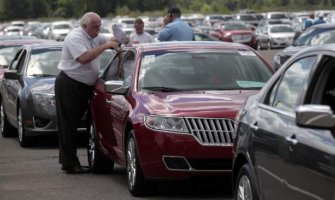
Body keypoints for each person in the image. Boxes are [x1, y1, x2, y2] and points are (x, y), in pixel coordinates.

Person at [55, 12, 120, 174]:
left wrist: (119, 40)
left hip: (85, 86)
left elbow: (112, 40)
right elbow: (83, 58)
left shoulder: (94, 36)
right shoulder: (74, 37)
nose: (98, 29)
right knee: (68, 125)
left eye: (99, 26)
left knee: (77, 125)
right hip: (70, 84)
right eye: (95, 27)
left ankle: (69, 161)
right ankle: (70, 163)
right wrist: (106, 46)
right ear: (84, 26)